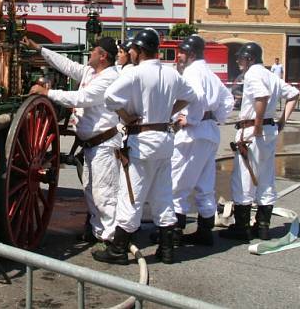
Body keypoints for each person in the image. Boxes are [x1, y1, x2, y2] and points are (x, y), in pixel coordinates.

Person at [93, 28, 198, 265]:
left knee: (131, 194)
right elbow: (191, 95)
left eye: (131, 49)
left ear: (139, 51)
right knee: (162, 195)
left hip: (142, 141)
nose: (129, 52)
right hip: (164, 139)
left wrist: (126, 116)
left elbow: (109, 97)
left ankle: (118, 249)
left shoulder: (136, 74)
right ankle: (168, 249)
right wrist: (168, 111)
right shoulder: (171, 74)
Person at [24, 36, 120, 245]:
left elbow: (82, 98)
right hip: (93, 144)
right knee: (91, 190)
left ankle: (113, 240)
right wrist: (40, 49)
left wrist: (47, 92)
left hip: (103, 144)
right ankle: (98, 232)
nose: (90, 53)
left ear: (103, 56)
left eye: (93, 50)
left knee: (104, 194)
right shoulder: (91, 71)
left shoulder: (110, 78)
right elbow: (67, 65)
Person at [221, 42, 299, 242]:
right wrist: (281, 121)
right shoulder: (271, 75)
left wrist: (256, 126)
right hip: (268, 130)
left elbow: (262, 96)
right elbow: (293, 94)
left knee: (244, 178)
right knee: (265, 177)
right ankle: (263, 226)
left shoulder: (253, 74)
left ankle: (242, 228)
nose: (238, 62)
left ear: (250, 58)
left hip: (252, 130)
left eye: (241, 58)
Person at [171, 35, 234, 247]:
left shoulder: (192, 72)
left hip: (193, 134)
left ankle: (174, 234)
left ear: (190, 54)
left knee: (177, 185)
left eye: (181, 52)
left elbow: (195, 96)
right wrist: (216, 117)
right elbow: (228, 99)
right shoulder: (210, 73)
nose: (178, 56)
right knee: (205, 185)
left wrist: (192, 119)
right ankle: (205, 232)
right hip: (209, 132)